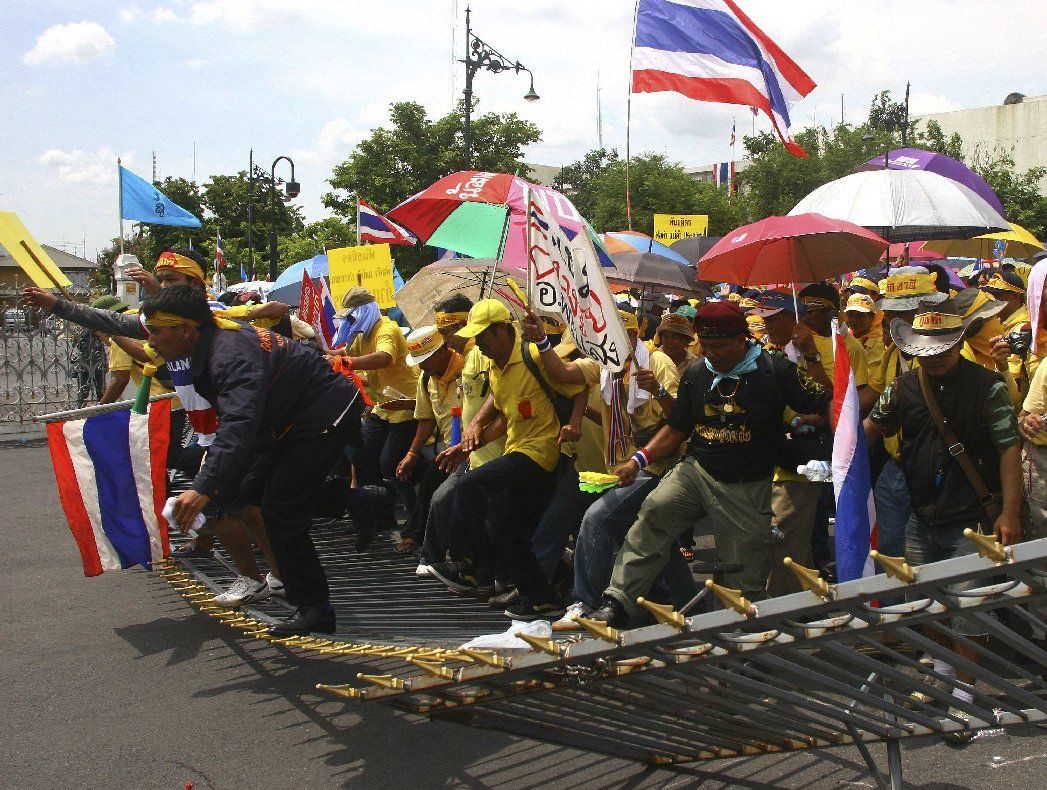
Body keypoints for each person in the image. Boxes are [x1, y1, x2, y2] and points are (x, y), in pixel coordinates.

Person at [588, 302, 830, 627]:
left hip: (745, 487)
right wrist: (638, 459)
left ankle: (746, 639)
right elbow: (676, 428)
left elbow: (825, 399)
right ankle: (618, 601)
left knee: (745, 577)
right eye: (707, 347)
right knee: (654, 513)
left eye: (721, 347)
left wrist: (811, 355)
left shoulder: (774, 371)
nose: (714, 354)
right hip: (697, 472)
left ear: (742, 339)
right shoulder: (697, 373)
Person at [148, 286, 363, 636]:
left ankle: (315, 609)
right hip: (287, 420)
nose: (151, 342)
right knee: (249, 493)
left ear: (185, 329)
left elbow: (239, 426)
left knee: (282, 512)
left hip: (325, 414)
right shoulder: (212, 330)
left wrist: (203, 487)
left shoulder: (230, 355)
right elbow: (121, 325)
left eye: (155, 332)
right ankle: (361, 501)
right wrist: (57, 305)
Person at [864, 298, 1023, 742]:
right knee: (927, 602)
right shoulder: (903, 387)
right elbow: (872, 427)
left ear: (957, 344)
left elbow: (1010, 447)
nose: (932, 356)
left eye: (941, 348)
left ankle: (964, 700)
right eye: (925, 349)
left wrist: (1009, 513)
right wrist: (842, 461)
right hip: (922, 512)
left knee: (968, 612)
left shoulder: (988, 386)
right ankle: (944, 676)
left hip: (973, 515)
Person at [524, 309, 687, 628]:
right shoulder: (605, 364)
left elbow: (681, 419)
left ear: (634, 336)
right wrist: (542, 341)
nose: (609, 341)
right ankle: (678, 600)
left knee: (597, 519)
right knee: (650, 533)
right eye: (605, 336)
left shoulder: (658, 363)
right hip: (626, 461)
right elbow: (563, 372)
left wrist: (657, 390)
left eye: (617, 335)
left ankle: (584, 602)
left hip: (660, 461)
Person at [428, 299, 584, 620]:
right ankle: (541, 598)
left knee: (469, 485)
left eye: (483, 337)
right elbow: (501, 408)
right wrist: (468, 443)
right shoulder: (496, 366)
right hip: (516, 450)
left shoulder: (534, 356)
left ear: (501, 331)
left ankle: (469, 564)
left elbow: (578, 385)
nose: (478, 345)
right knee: (507, 532)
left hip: (542, 454)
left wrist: (576, 423)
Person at [330, 287, 420, 521]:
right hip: (382, 407)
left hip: (404, 406)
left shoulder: (386, 330)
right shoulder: (363, 335)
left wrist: (345, 361)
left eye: (352, 316)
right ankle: (376, 516)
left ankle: (414, 517)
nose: (350, 320)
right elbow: (345, 350)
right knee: (359, 453)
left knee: (389, 463)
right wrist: (323, 352)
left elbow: (384, 357)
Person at [393, 325, 464, 555]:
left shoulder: (467, 368)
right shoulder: (426, 378)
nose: (422, 366)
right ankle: (417, 535)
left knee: (444, 496)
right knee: (427, 484)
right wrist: (411, 454)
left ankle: (439, 553)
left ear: (443, 350)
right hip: (447, 449)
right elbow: (426, 419)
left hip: (473, 448)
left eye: (426, 359)